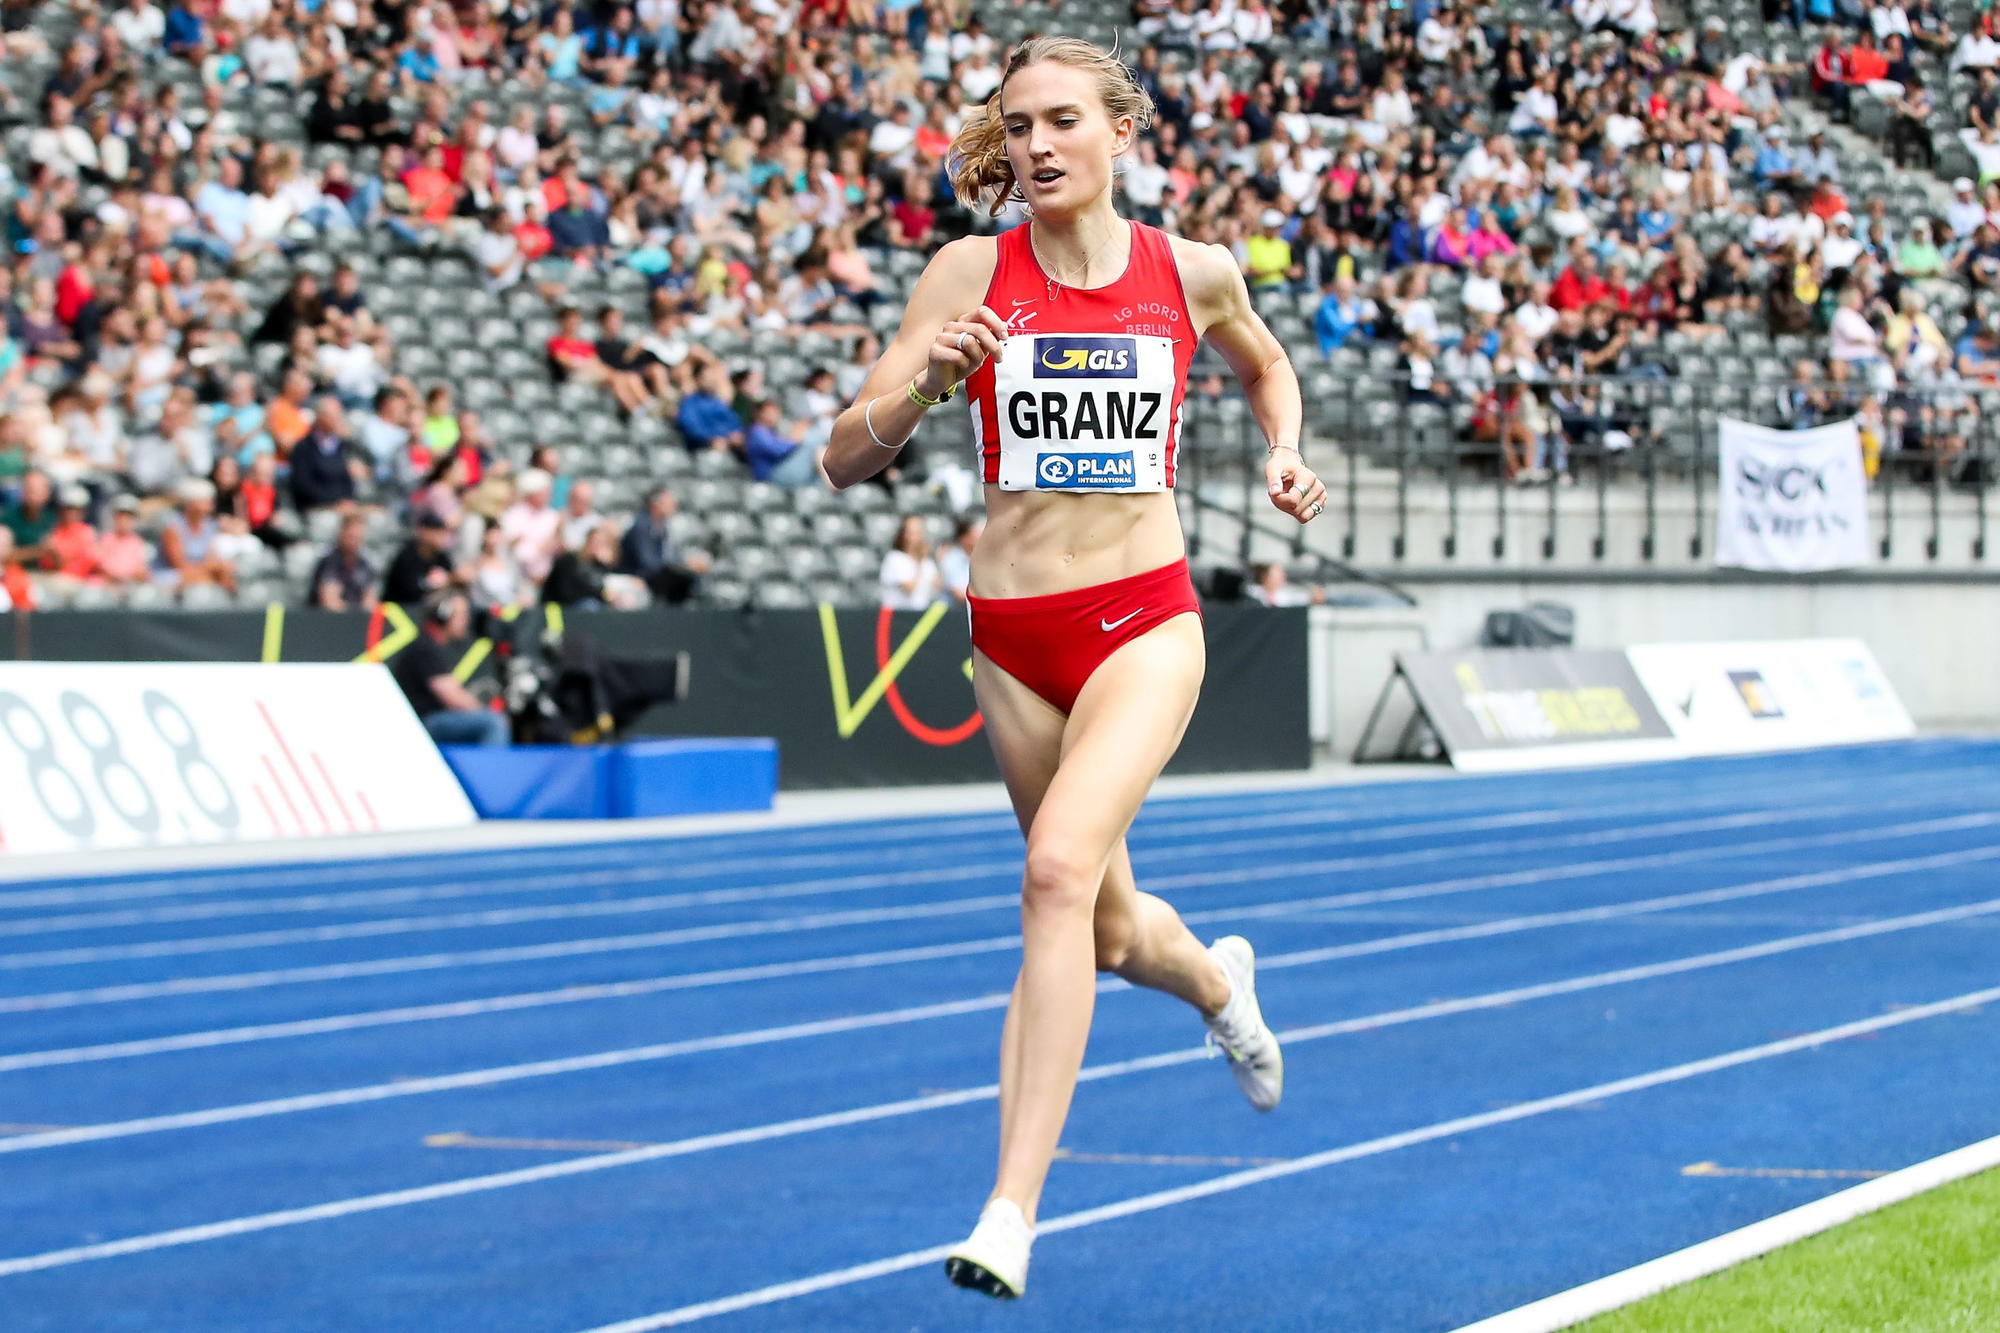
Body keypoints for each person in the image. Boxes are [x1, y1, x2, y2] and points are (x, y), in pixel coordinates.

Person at [819, 37, 1315, 1300]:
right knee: (1100, 929)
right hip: (1014, 634)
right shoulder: (969, 271)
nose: (1036, 144)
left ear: (1117, 131)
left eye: (1060, 121)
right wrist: (926, 387)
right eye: (1016, 125)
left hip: (1144, 619)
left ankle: (1009, 1211)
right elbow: (840, 454)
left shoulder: (1188, 270)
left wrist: (1283, 452)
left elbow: (1264, 360)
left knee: (1049, 874)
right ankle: (1218, 983)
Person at [392, 590, 510, 747]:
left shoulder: (429, 645)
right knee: (493, 723)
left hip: (428, 719)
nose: (466, 620)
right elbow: (451, 696)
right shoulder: (425, 648)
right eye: (461, 615)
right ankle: (492, 769)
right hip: (422, 722)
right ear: (444, 616)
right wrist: (483, 711)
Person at [878, 513, 943, 609]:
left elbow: (937, 587)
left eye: (919, 533)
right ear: (903, 535)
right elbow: (909, 588)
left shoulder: (927, 562)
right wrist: (919, 562)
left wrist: (938, 559)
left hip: (921, 616)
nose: (916, 538)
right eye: (912, 533)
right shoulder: (894, 558)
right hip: (898, 616)